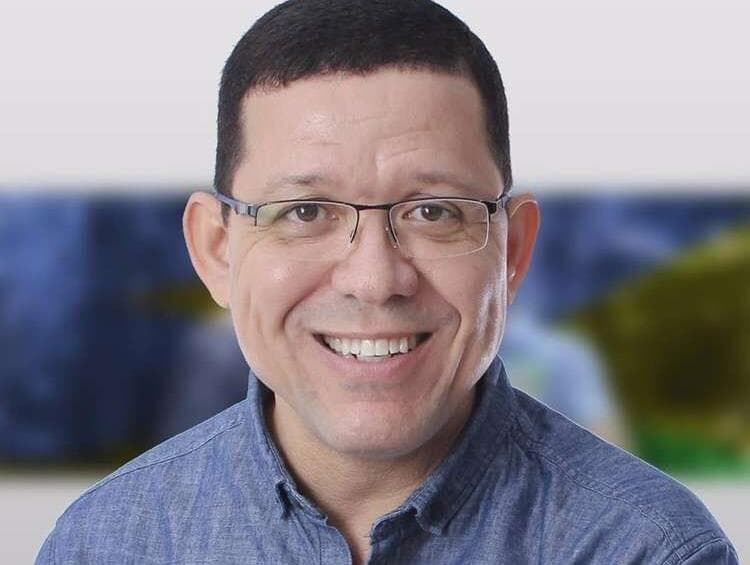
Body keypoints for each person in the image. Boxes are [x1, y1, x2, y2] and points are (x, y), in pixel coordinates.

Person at [36, 1, 737, 563]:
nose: (374, 280)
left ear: (513, 250)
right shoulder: (103, 545)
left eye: (433, 212)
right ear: (217, 250)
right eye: (305, 211)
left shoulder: (650, 549)